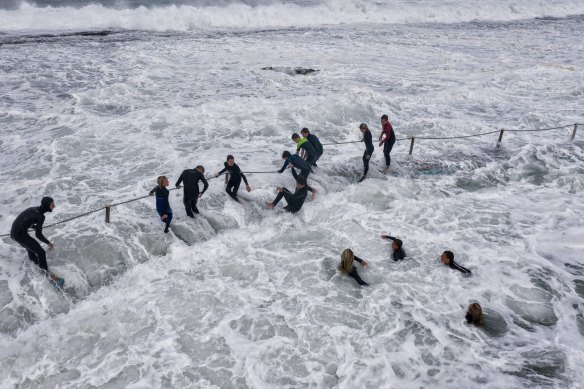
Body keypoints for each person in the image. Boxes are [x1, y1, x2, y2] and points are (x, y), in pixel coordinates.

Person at [10, 197, 64, 287]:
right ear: (47, 206)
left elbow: (25, 220)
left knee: (31, 249)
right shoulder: (40, 216)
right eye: (52, 204)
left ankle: (35, 266)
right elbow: (38, 235)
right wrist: (48, 243)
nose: (54, 206)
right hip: (20, 235)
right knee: (41, 252)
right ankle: (48, 277)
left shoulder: (33, 209)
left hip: (14, 233)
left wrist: (35, 227)